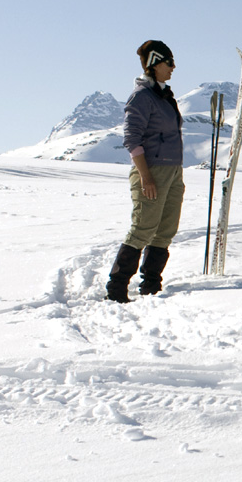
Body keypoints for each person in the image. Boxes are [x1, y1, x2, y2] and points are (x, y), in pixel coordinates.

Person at [105, 40, 185, 303]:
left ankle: (151, 286)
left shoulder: (164, 95)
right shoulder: (142, 97)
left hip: (173, 171)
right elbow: (132, 138)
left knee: (165, 230)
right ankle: (116, 289)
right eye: (168, 62)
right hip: (152, 171)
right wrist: (146, 176)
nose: (173, 67)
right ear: (154, 64)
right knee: (143, 229)